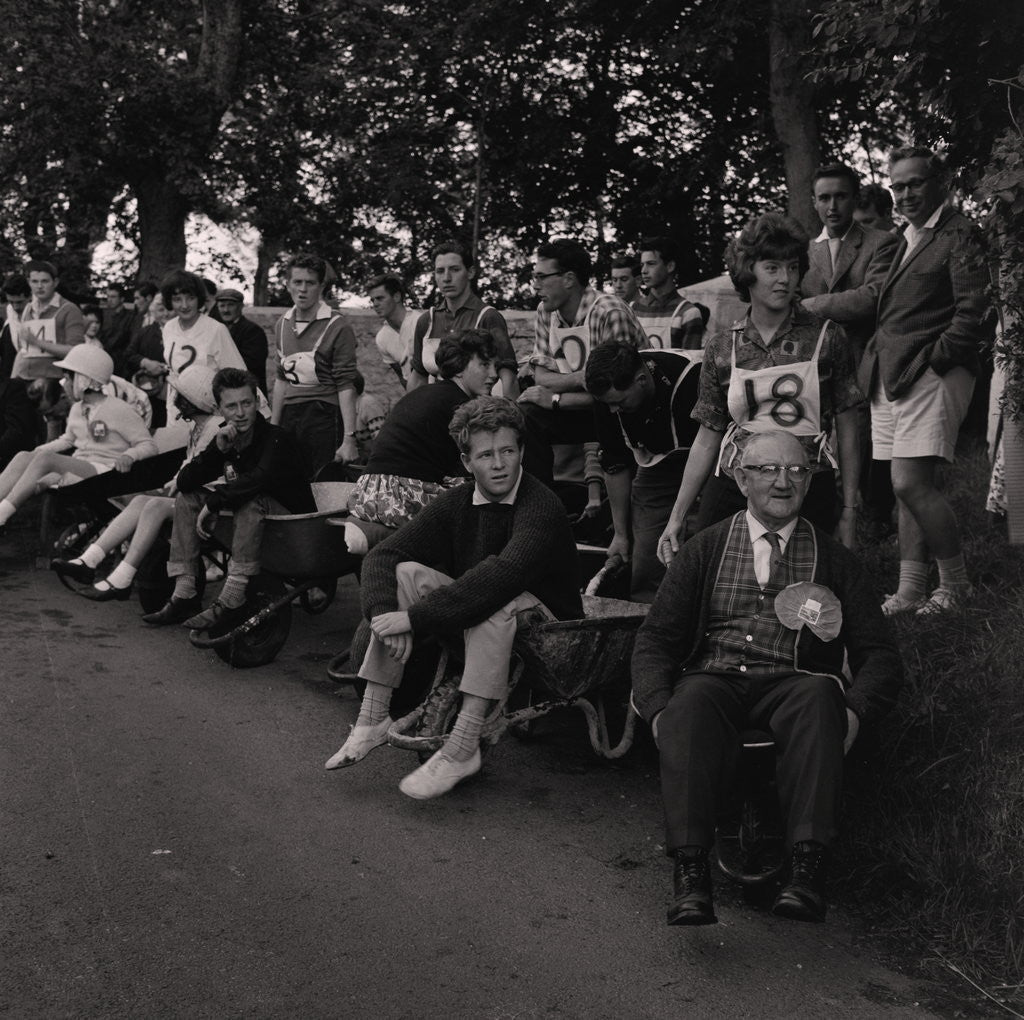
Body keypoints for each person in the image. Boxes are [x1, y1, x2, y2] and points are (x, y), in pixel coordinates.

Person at [633, 430, 903, 926]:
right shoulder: (703, 549)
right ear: (740, 477)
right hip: (716, 676)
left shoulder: (836, 560)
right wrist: (655, 706)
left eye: (797, 470)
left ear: (808, 480)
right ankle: (691, 875)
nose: (783, 482)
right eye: (767, 470)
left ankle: (806, 872)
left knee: (822, 696)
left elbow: (880, 655)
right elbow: (655, 641)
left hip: (792, 680)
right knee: (686, 707)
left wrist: (857, 711)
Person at [324, 396, 583, 800]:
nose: (498, 464)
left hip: (549, 621)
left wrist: (415, 619)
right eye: (485, 455)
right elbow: (383, 555)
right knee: (407, 572)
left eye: (508, 451)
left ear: (522, 453)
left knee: (494, 603)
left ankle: (463, 748)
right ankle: (373, 716)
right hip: (485, 604)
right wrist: (383, 616)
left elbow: (503, 576)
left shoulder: (541, 506)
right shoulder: (459, 501)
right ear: (466, 462)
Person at [658, 213, 864, 560]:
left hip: (806, 483)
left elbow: (848, 425)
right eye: (772, 267)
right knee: (709, 570)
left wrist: (848, 510)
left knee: (803, 593)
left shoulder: (828, 338)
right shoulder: (723, 347)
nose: (785, 279)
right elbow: (707, 436)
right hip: (736, 483)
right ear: (748, 271)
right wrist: (677, 517)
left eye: (793, 268)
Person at [863, 147, 993, 615]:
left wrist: (934, 361)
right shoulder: (907, 235)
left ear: (941, 182)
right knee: (905, 489)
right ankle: (911, 589)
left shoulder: (959, 232)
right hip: (893, 375)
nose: (904, 194)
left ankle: (956, 587)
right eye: (897, 186)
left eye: (914, 183)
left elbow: (974, 311)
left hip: (931, 373)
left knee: (909, 483)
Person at [142, 368, 315, 628]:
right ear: (220, 410)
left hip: (292, 523)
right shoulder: (227, 436)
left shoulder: (276, 438)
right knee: (189, 497)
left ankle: (233, 594)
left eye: (246, 403)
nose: (241, 412)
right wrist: (218, 451)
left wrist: (213, 503)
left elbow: (258, 480)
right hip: (254, 520)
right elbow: (187, 480)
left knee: (250, 497)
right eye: (231, 406)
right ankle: (185, 592)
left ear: (257, 403)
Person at [50, 365, 222, 599]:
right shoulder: (198, 427)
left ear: (193, 400)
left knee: (153, 505)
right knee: (142, 500)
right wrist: (173, 483)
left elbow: (201, 470)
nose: (175, 399)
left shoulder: (214, 429)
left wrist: (176, 484)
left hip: (209, 501)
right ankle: (89, 560)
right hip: (193, 496)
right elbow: (190, 465)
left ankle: (123, 576)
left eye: (181, 395)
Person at [801, 163, 900, 537]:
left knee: (866, 443)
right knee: (819, 442)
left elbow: (872, 298)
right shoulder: (804, 251)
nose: (832, 205)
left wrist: (812, 305)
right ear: (813, 202)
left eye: (840, 196)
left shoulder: (881, 242)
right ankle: (827, 517)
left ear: (854, 198)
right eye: (824, 197)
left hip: (866, 360)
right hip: (815, 365)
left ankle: (873, 517)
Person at [519, 237, 648, 489]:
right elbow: (542, 378)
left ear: (568, 279)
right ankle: (543, 503)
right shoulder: (546, 311)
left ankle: (620, 510)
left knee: (608, 414)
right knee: (526, 416)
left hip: (625, 408)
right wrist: (583, 378)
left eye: (542, 277)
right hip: (584, 404)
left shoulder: (609, 312)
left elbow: (617, 390)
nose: (536, 286)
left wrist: (556, 399)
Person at [345, 329, 498, 540]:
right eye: (484, 365)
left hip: (368, 492)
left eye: (494, 366)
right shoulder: (461, 405)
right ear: (460, 368)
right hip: (399, 495)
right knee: (485, 493)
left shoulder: (426, 392)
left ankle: (378, 532)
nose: (494, 374)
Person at [585, 341, 702, 602]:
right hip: (656, 464)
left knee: (701, 539)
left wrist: (680, 515)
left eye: (620, 402)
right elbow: (614, 464)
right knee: (648, 549)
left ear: (641, 380)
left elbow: (709, 444)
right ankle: (644, 612)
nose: (613, 410)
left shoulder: (693, 379)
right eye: (608, 404)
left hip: (709, 459)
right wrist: (621, 534)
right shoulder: (607, 400)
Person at [0, 346, 157, 533]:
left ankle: (2, 513)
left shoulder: (120, 409)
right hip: (81, 466)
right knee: (24, 456)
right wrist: (36, 452)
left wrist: (130, 456)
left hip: (106, 471)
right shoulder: (77, 409)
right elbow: (68, 440)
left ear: (83, 379)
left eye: (68, 377)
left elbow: (148, 444)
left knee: (45, 459)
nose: (64, 383)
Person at [270, 254, 359, 478]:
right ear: (288, 284)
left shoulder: (337, 325)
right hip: (291, 415)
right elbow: (281, 379)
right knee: (290, 481)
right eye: (297, 282)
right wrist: (273, 427)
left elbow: (346, 384)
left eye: (310, 283)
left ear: (321, 286)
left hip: (324, 415)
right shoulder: (282, 324)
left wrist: (349, 438)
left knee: (323, 482)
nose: (303, 289)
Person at [408, 239, 518, 398]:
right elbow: (418, 377)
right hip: (437, 409)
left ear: (471, 272)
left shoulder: (488, 317)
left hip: (477, 413)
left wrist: (510, 417)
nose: (446, 278)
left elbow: (508, 378)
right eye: (440, 271)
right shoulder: (427, 321)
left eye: (454, 269)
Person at [160, 269, 247, 383]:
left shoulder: (216, 329)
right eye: (177, 300)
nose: (184, 305)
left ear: (199, 298)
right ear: (169, 301)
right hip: (175, 398)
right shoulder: (169, 327)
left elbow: (239, 375)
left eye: (190, 298)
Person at [11, 260, 86, 383]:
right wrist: (13, 380)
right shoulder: (28, 309)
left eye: (45, 281)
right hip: (24, 378)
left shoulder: (69, 310)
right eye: (35, 281)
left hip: (55, 381)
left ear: (55, 282)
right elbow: (23, 351)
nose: (39, 286)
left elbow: (75, 352)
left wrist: (37, 342)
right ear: (29, 283)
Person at [633, 237, 706, 350]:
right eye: (642, 265)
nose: (644, 271)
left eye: (651, 264)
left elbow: (690, 365)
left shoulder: (688, 313)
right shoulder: (634, 309)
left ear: (670, 266)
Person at [215, 288, 269, 394]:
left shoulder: (253, 331)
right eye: (222, 306)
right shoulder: (216, 330)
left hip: (248, 391)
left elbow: (251, 365)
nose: (226, 310)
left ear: (240, 306)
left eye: (230, 305)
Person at [368, 274, 415, 387]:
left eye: (380, 298)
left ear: (397, 297)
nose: (375, 304)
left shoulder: (421, 322)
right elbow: (402, 377)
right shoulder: (382, 338)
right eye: (372, 300)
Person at [99, 283, 136, 376]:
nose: (109, 300)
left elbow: (120, 338)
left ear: (122, 299)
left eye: (113, 297)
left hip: (121, 363)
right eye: (108, 296)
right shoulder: (105, 315)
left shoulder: (130, 316)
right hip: (104, 359)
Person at [1, 275, 32, 382]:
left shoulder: (41, 320)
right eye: (11, 302)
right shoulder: (8, 324)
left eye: (19, 302)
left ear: (30, 297)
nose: (15, 307)